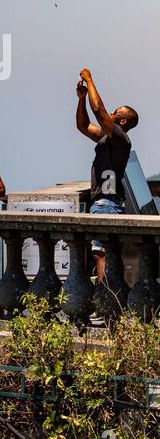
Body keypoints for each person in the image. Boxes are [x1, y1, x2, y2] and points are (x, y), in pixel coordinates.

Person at [76, 67, 140, 282]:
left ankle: (108, 299)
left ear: (121, 121)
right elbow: (83, 126)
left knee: (101, 253)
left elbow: (98, 110)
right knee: (103, 253)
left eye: (115, 113)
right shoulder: (108, 137)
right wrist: (81, 99)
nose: (109, 114)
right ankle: (111, 298)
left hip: (107, 202)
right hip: (105, 201)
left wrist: (90, 80)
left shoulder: (121, 139)